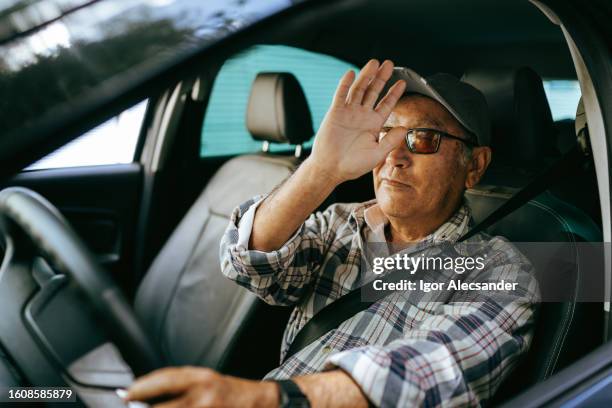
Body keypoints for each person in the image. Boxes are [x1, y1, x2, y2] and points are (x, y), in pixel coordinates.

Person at [126, 60, 539, 407]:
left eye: (423, 139)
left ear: (475, 166)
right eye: (387, 135)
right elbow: (246, 266)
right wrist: (322, 169)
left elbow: (434, 375)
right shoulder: (342, 222)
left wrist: (261, 399)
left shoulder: (499, 270)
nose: (394, 156)